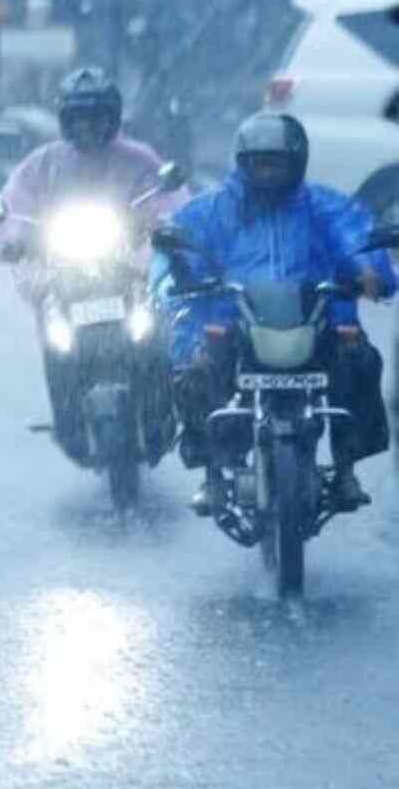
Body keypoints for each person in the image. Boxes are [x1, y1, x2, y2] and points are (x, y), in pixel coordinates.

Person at [156, 111, 394, 513]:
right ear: (243, 163)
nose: (266, 172)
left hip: (318, 317)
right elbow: (180, 246)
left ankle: (346, 467)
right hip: (233, 319)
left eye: (276, 162)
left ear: (296, 162)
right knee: (195, 373)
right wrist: (181, 273)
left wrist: (370, 272)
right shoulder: (215, 208)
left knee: (360, 361)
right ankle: (213, 472)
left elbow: (355, 237)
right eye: (258, 162)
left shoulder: (324, 205)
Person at [0, 67, 187, 460]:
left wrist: (167, 225)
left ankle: (161, 413)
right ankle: (68, 421)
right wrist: (13, 238)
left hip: (128, 268)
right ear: (65, 120)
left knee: (156, 335)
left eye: (97, 116)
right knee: (57, 342)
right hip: (64, 272)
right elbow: (16, 204)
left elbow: (167, 197)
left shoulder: (139, 159)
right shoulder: (43, 163)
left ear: (112, 118)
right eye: (79, 117)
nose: (88, 126)